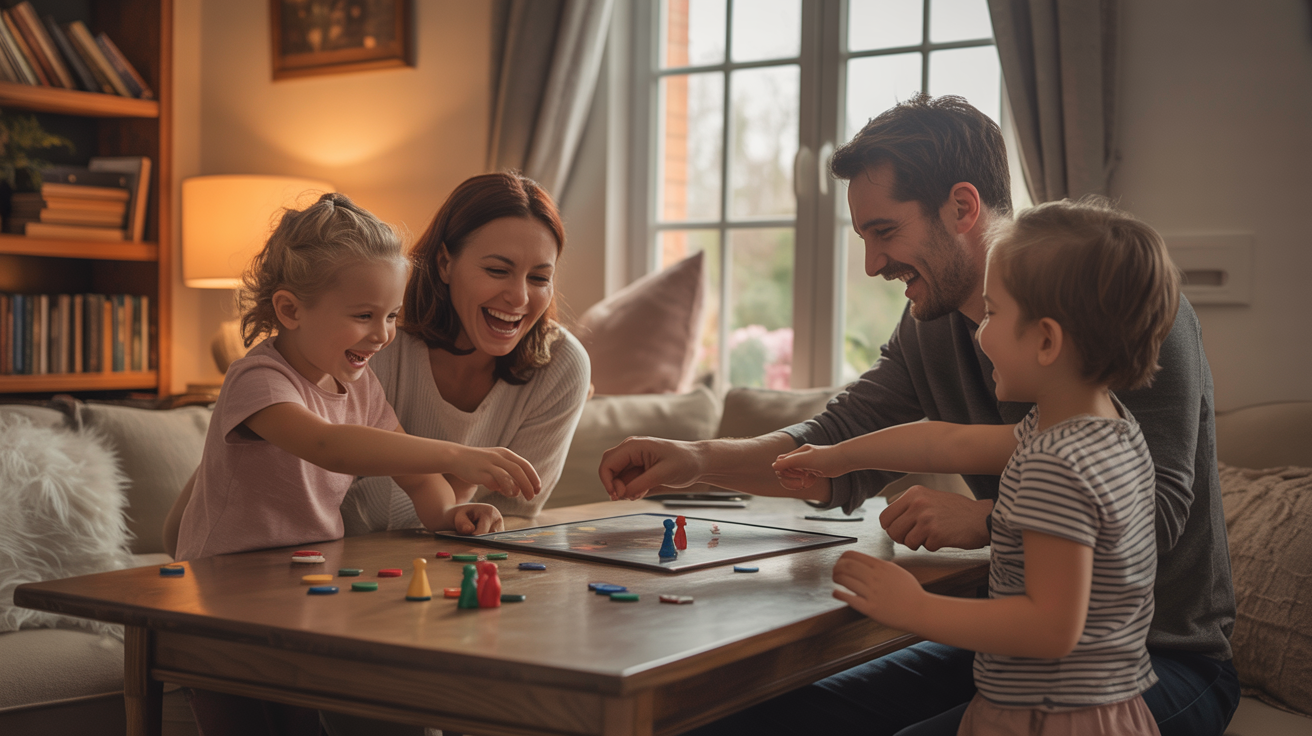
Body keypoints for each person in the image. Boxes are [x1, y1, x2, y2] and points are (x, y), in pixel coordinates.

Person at [598, 94, 1238, 736]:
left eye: (885, 232)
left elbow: (1151, 516)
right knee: (748, 721)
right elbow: (847, 442)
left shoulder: (1117, 310)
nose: (874, 263)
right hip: (1007, 654)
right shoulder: (929, 328)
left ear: (961, 207)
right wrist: (697, 460)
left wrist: (983, 519)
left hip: (1152, 662)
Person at [773, 198, 1174, 735]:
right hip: (1101, 707)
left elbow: (1051, 627)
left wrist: (912, 607)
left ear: (1047, 340)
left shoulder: (1057, 464)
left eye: (991, 313)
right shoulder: (1102, 429)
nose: (979, 332)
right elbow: (947, 445)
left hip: (1048, 717)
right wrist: (837, 455)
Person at [174, 192, 539, 736]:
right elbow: (329, 445)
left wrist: (448, 514)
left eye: (391, 315)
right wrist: (458, 453)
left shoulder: (357, 383)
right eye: (363, 316)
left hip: (297, 590)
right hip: (222, 594)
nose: (384, 334)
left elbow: (416, 477)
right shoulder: (257, 379)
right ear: (291, 310)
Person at [338, 171, 591, 533]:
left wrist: (442, 493)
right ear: (445, 263)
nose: (519, 298)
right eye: (496, 270)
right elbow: (349, 502)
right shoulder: (378, 340)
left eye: (538, 278)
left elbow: (512, 511)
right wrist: (462, 484)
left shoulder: (563, 365)